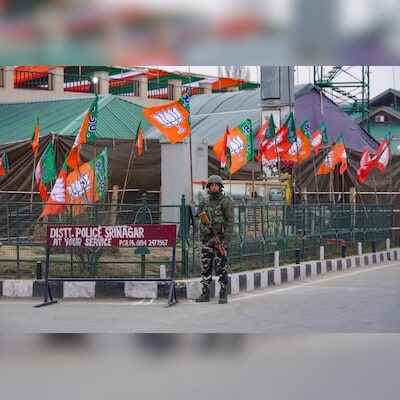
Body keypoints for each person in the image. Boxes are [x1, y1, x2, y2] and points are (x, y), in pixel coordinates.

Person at [195, 175, 234, 304]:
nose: (214, 187)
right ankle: (205, 292)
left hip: (220, 240)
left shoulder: (226, 202)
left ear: (220, 187)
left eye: (216, 185)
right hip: (207, 239)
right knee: (205, 266)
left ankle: (223, 292)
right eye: (212, 185)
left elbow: (230, 223)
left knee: (222, 265)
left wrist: (225, 241)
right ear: (209, 187)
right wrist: (204, 226)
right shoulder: (204, 203)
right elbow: (197, 217)